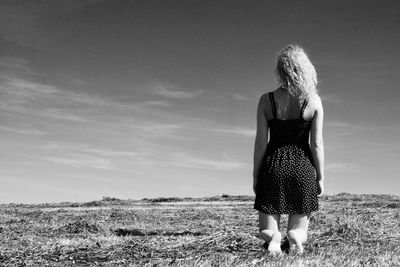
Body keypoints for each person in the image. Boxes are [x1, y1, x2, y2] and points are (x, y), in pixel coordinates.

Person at [253, 44, 325, 255]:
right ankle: (294, 236)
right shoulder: (313, 101)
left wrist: (255, 175)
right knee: (299, 228)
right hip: (302, 168)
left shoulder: (266, 100)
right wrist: (320, 177)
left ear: (280, 70)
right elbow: (317, 144)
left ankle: (274, 237)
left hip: (273, 166)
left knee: (266, 228)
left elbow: (260, 143)